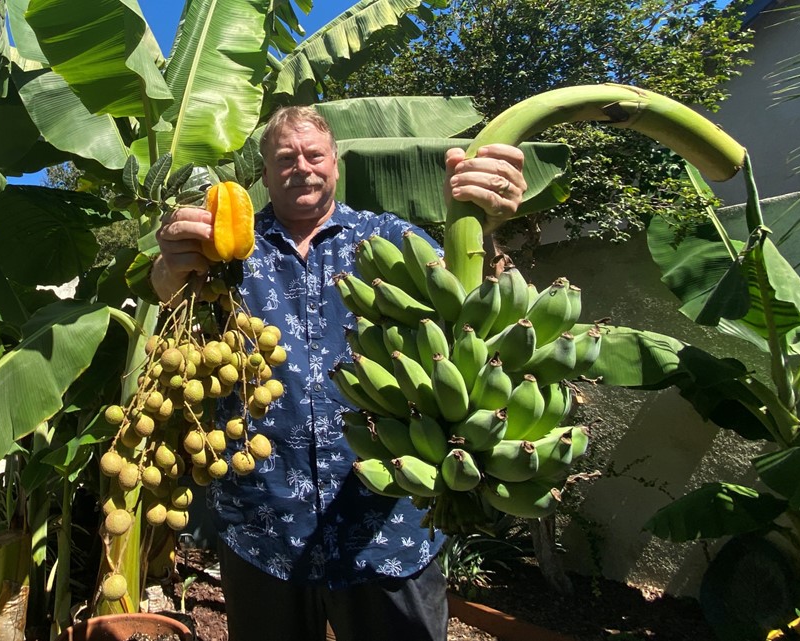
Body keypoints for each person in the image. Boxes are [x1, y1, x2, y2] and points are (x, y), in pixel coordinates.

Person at [151, 106, 526, 641]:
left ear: (336, 163)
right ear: (265, 171)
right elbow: (170, 291)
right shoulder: (227, 251)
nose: (300, 166)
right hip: (263, 522)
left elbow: (470, 308)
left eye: (313, 154)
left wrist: (484, 228)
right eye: (284, 157)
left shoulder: (393, 239)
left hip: (387, 522)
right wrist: (171, 261)